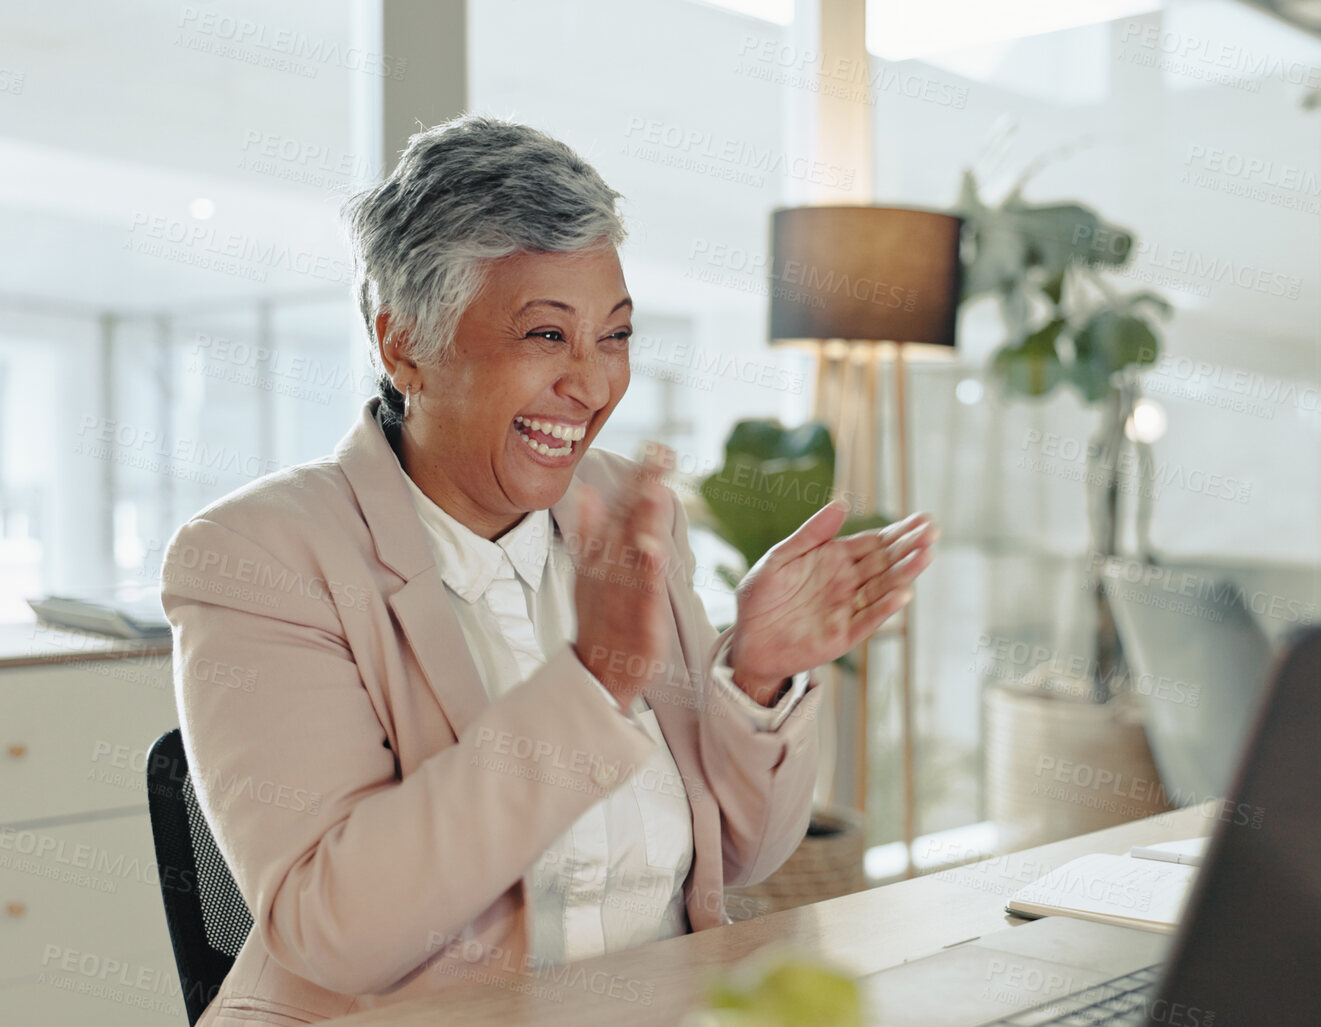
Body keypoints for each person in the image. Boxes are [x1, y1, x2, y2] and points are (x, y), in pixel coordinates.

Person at [161, 114, 939, 1025]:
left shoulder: (619, 508)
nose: (593, 384)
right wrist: (591, 681)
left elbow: (747, 856)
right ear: (402, 343)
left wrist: (755, 676)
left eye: (613, 336)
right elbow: (336, 931)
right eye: (544, 336)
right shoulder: (259, 557)